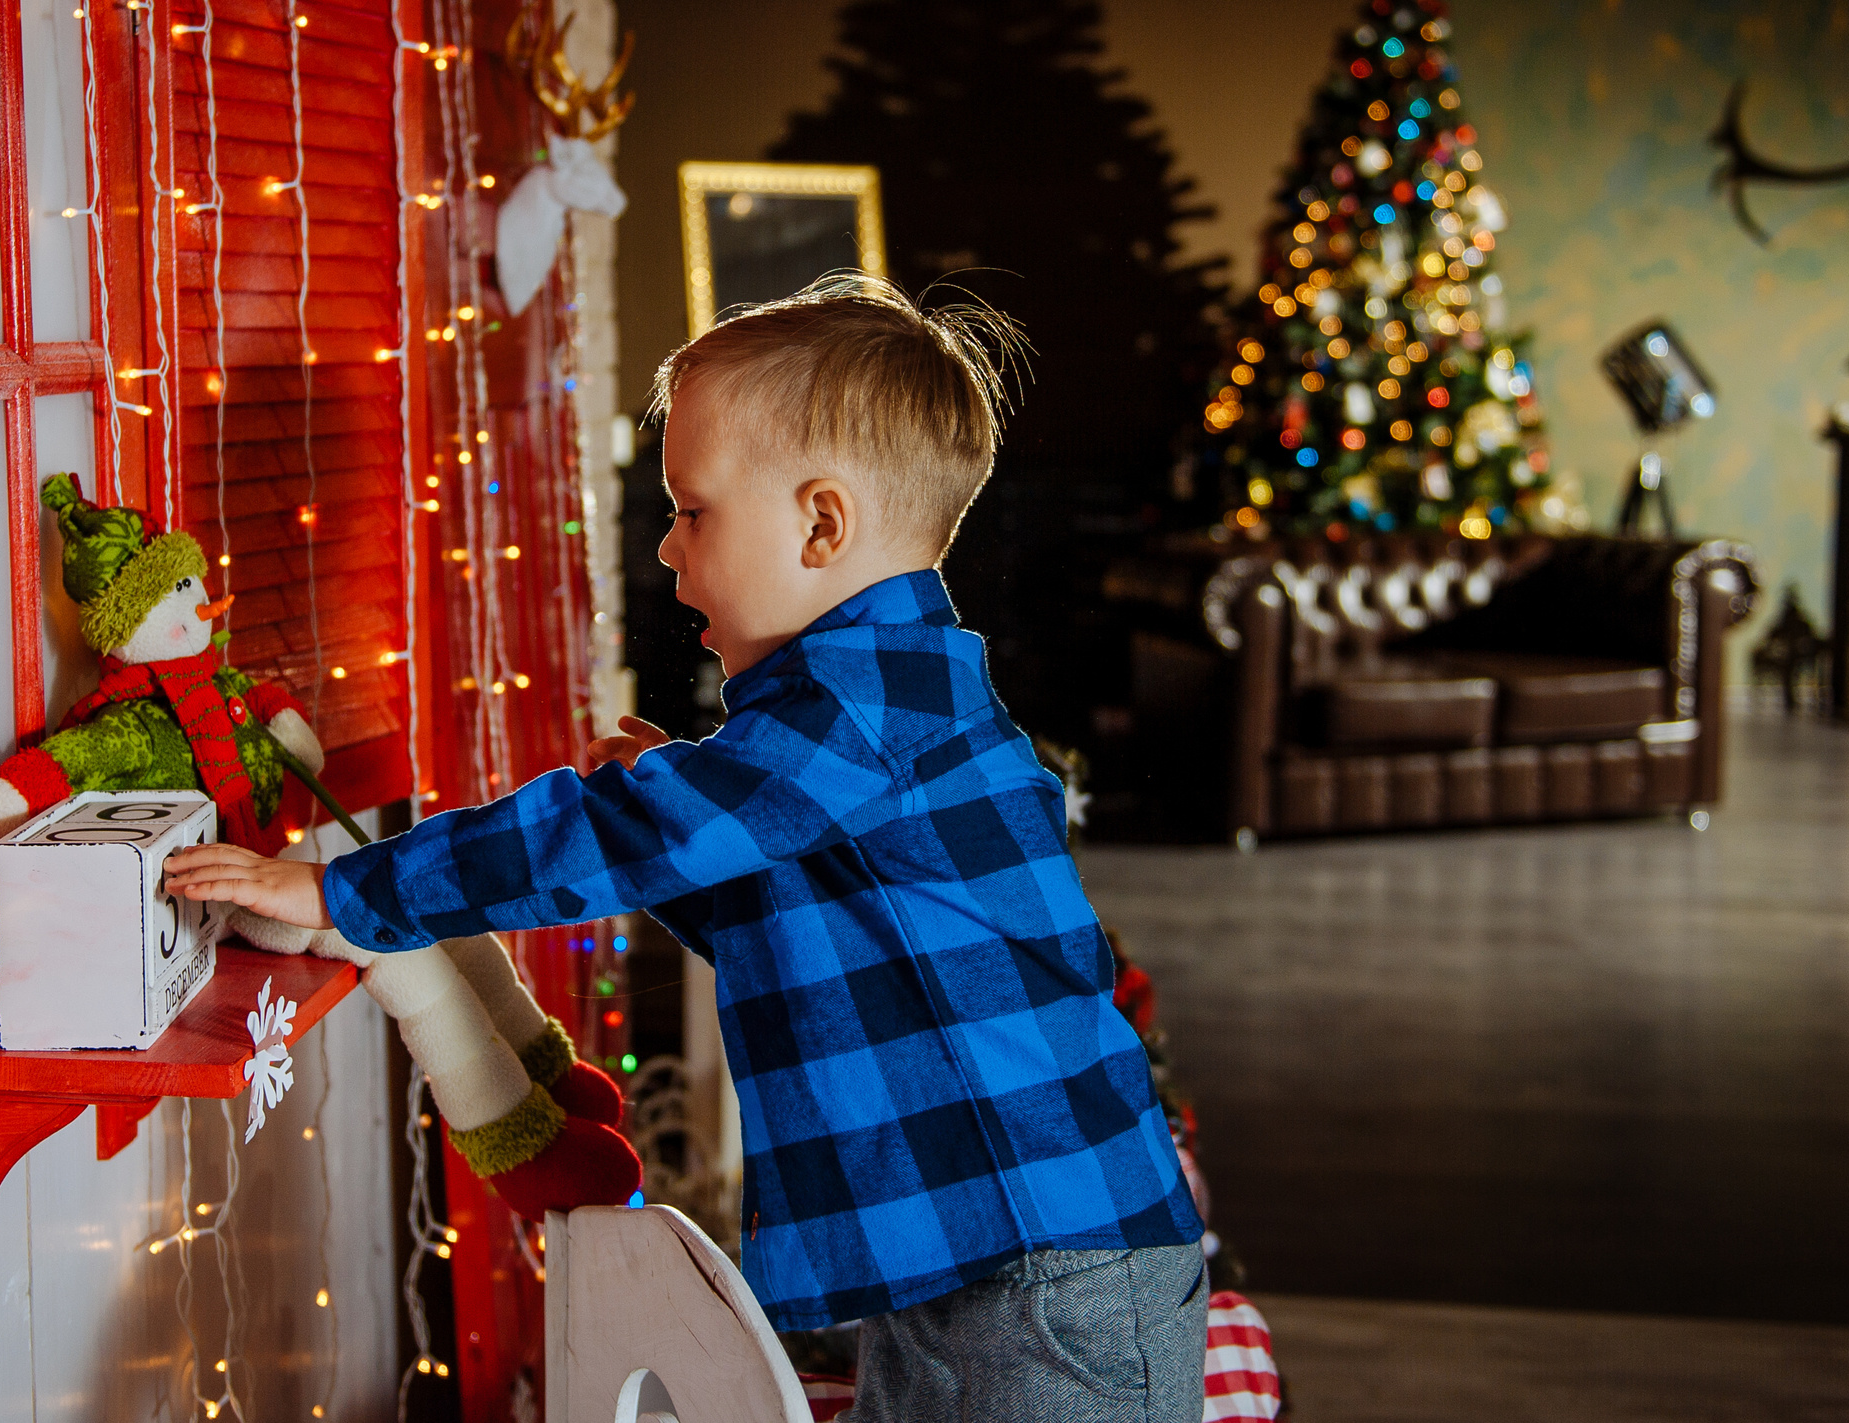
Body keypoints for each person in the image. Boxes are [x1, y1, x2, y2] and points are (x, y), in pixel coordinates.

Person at [166, 274, 1207, 1420]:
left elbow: (611, 835)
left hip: (1043, 1263)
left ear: (821, 525)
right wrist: (687, 802)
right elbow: (793, 920)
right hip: (991, 1245)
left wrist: (342, 889)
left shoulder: (860, 707)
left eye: (693, 511)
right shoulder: (853, 714)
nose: (667, 547)